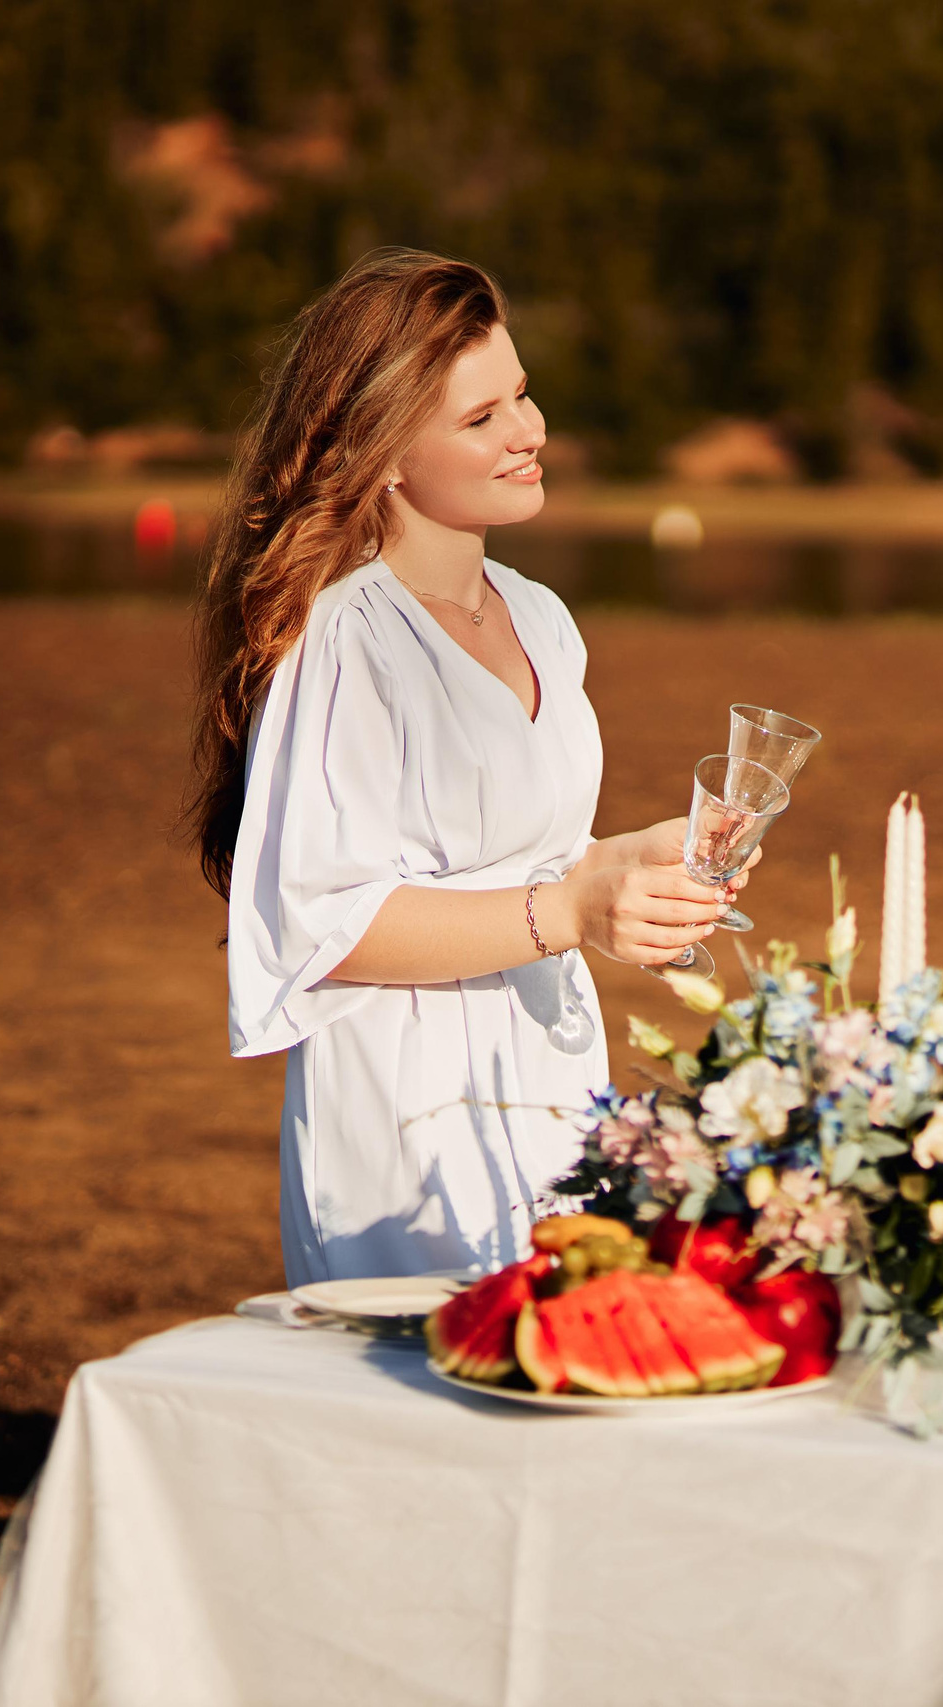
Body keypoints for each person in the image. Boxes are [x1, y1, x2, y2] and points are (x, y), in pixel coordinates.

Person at [188, 249, 736, 1284]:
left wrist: (628, 864)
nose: (529, 433)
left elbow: (517, 855)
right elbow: (322, 923)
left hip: (552, 1071)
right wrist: (573, 913)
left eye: (521, 397)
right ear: (384, 453)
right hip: (409, 1112)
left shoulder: (538, 615)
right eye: (481, 419)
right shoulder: (346, 639)